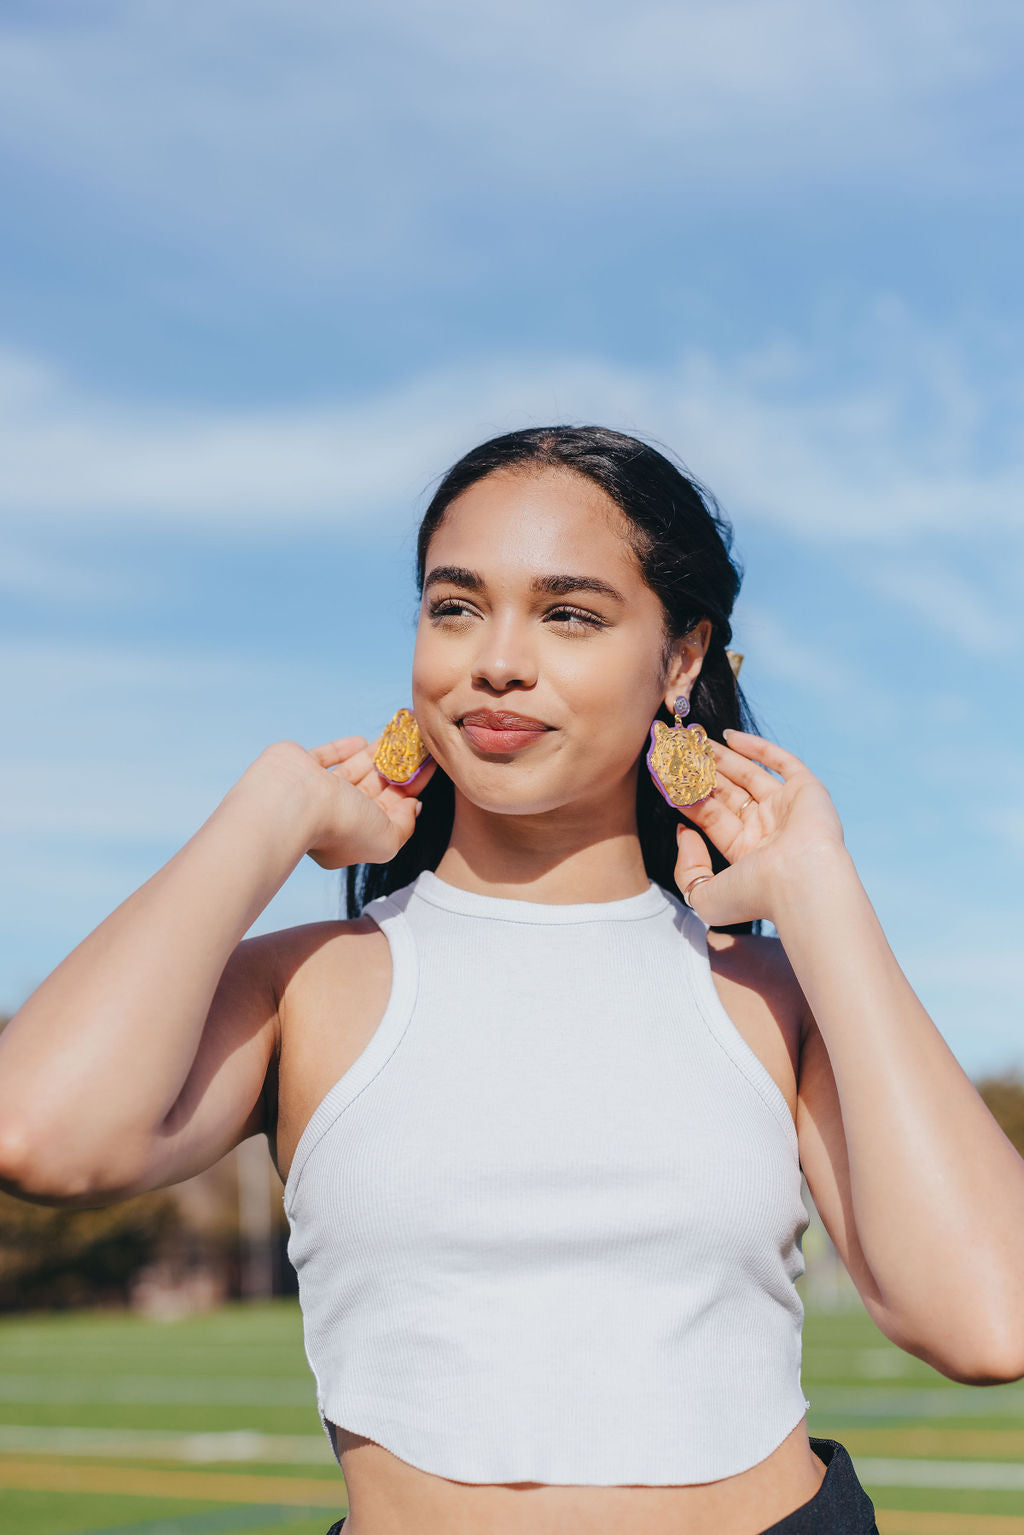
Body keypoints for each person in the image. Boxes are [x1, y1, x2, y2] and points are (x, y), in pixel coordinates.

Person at [2, 425, 1023, 1535]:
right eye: (455, 606)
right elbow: (37, 1131)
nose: (497, 658)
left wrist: (823, 893)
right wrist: (268, 813)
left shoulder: (776, 991)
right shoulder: (309, 984)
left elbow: (989, 1319)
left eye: (569, 612)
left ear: (681, 659)